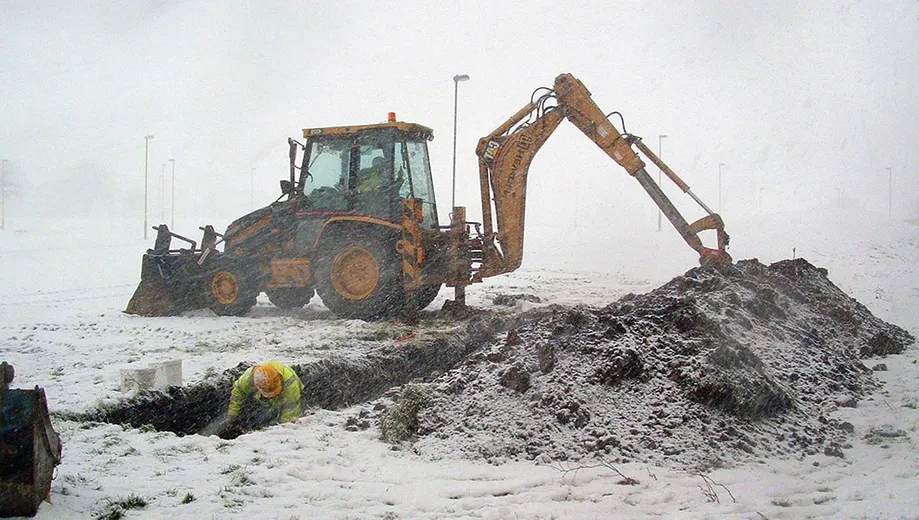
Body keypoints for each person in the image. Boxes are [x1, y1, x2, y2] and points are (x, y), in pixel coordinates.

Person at [225, 360, 303, 429]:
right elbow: (237, 395)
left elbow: (289, 414)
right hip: (261, 399)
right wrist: (232, 416)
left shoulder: (291, 385)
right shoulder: (248, 379)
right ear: (256, 385)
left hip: (286, 396)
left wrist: (281, 430)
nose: (271, 395)